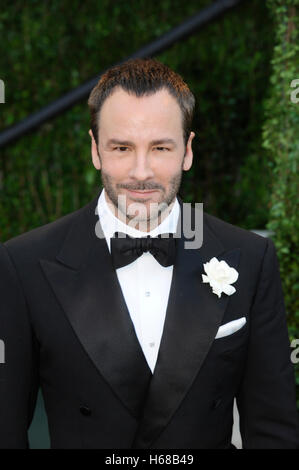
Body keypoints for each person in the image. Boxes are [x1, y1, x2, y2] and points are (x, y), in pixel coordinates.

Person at [0, 58, 298, 449]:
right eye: (122, 147)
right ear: (95, 150)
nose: (141, 172)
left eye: (160, 147)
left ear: (187, 152)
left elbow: (274, 431)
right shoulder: (22, 264)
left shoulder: (251, 257)